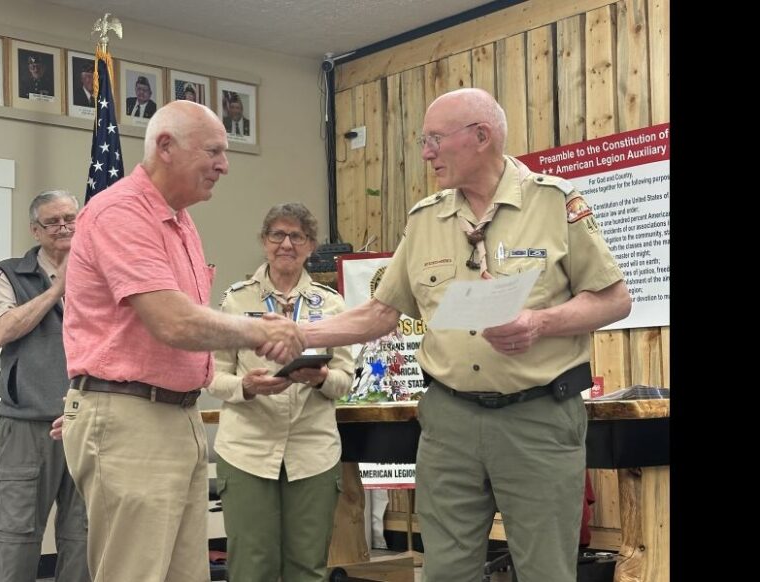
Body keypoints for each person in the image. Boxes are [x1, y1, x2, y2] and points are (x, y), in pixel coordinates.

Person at [295, 88, 631, 582]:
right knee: (447, 571)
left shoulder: (554, 202)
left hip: (537, 416)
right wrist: (302, 331)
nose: (426, 152)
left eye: (434, 139)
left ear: (481, 136)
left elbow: (614, 299)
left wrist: (538, 323)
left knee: (546, 570)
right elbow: (381, 313)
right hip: (448, 423)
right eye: (423, 140)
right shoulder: (425, 219)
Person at [59, 100, 305, 582]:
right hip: (132, 418)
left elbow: (171, 337)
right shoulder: (121, 212)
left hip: (176, 415)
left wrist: (222, 377)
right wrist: (264, 329)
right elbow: (172, 322)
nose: (224, 165)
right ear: (166, 147)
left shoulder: (182, 221)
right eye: (214, 150)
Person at [207, 203, 354, 582]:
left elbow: (344, 379)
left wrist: (320, 379)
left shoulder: (332, 303)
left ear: (310, 246)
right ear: (264, 242)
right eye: (277, 235)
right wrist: (247, 386)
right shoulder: (237, 300)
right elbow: (213, 376)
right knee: (252, 566)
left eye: (297, 236)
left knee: (308, 567)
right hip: (248, 451)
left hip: (313, 451)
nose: (286, 243)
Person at [0, 190, 90, 582]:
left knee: (85, 541)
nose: (64, 227)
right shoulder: (10, 274)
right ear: (35, 230)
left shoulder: (101, 274)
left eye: (70, 219)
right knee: (14, 540)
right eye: (53, 222)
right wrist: (55, 291)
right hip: (28, 428)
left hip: (88, 425)